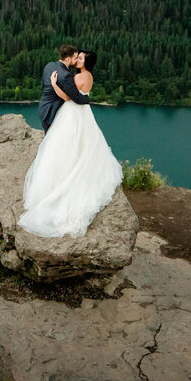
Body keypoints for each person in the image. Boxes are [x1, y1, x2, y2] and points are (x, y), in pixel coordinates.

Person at [19, 50, 123, 238]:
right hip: (81, 113)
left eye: (81, 58)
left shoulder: (81, 76)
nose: (78, 60)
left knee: (66, 145)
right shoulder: (85, 75)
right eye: (77, 57)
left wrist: (53, 84)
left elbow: (68, 96)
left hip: (73, 113)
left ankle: (64, 176)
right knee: (82, 143)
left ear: (86, 62)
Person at [37, 44, 90, 132]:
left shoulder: (49, 65)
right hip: (53, 112)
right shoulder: (66, 75)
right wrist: (87, 98)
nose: (77, 60)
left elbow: (43, 85)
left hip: (44, 107)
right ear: (68, 59)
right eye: (75, 58)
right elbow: (76, 98)